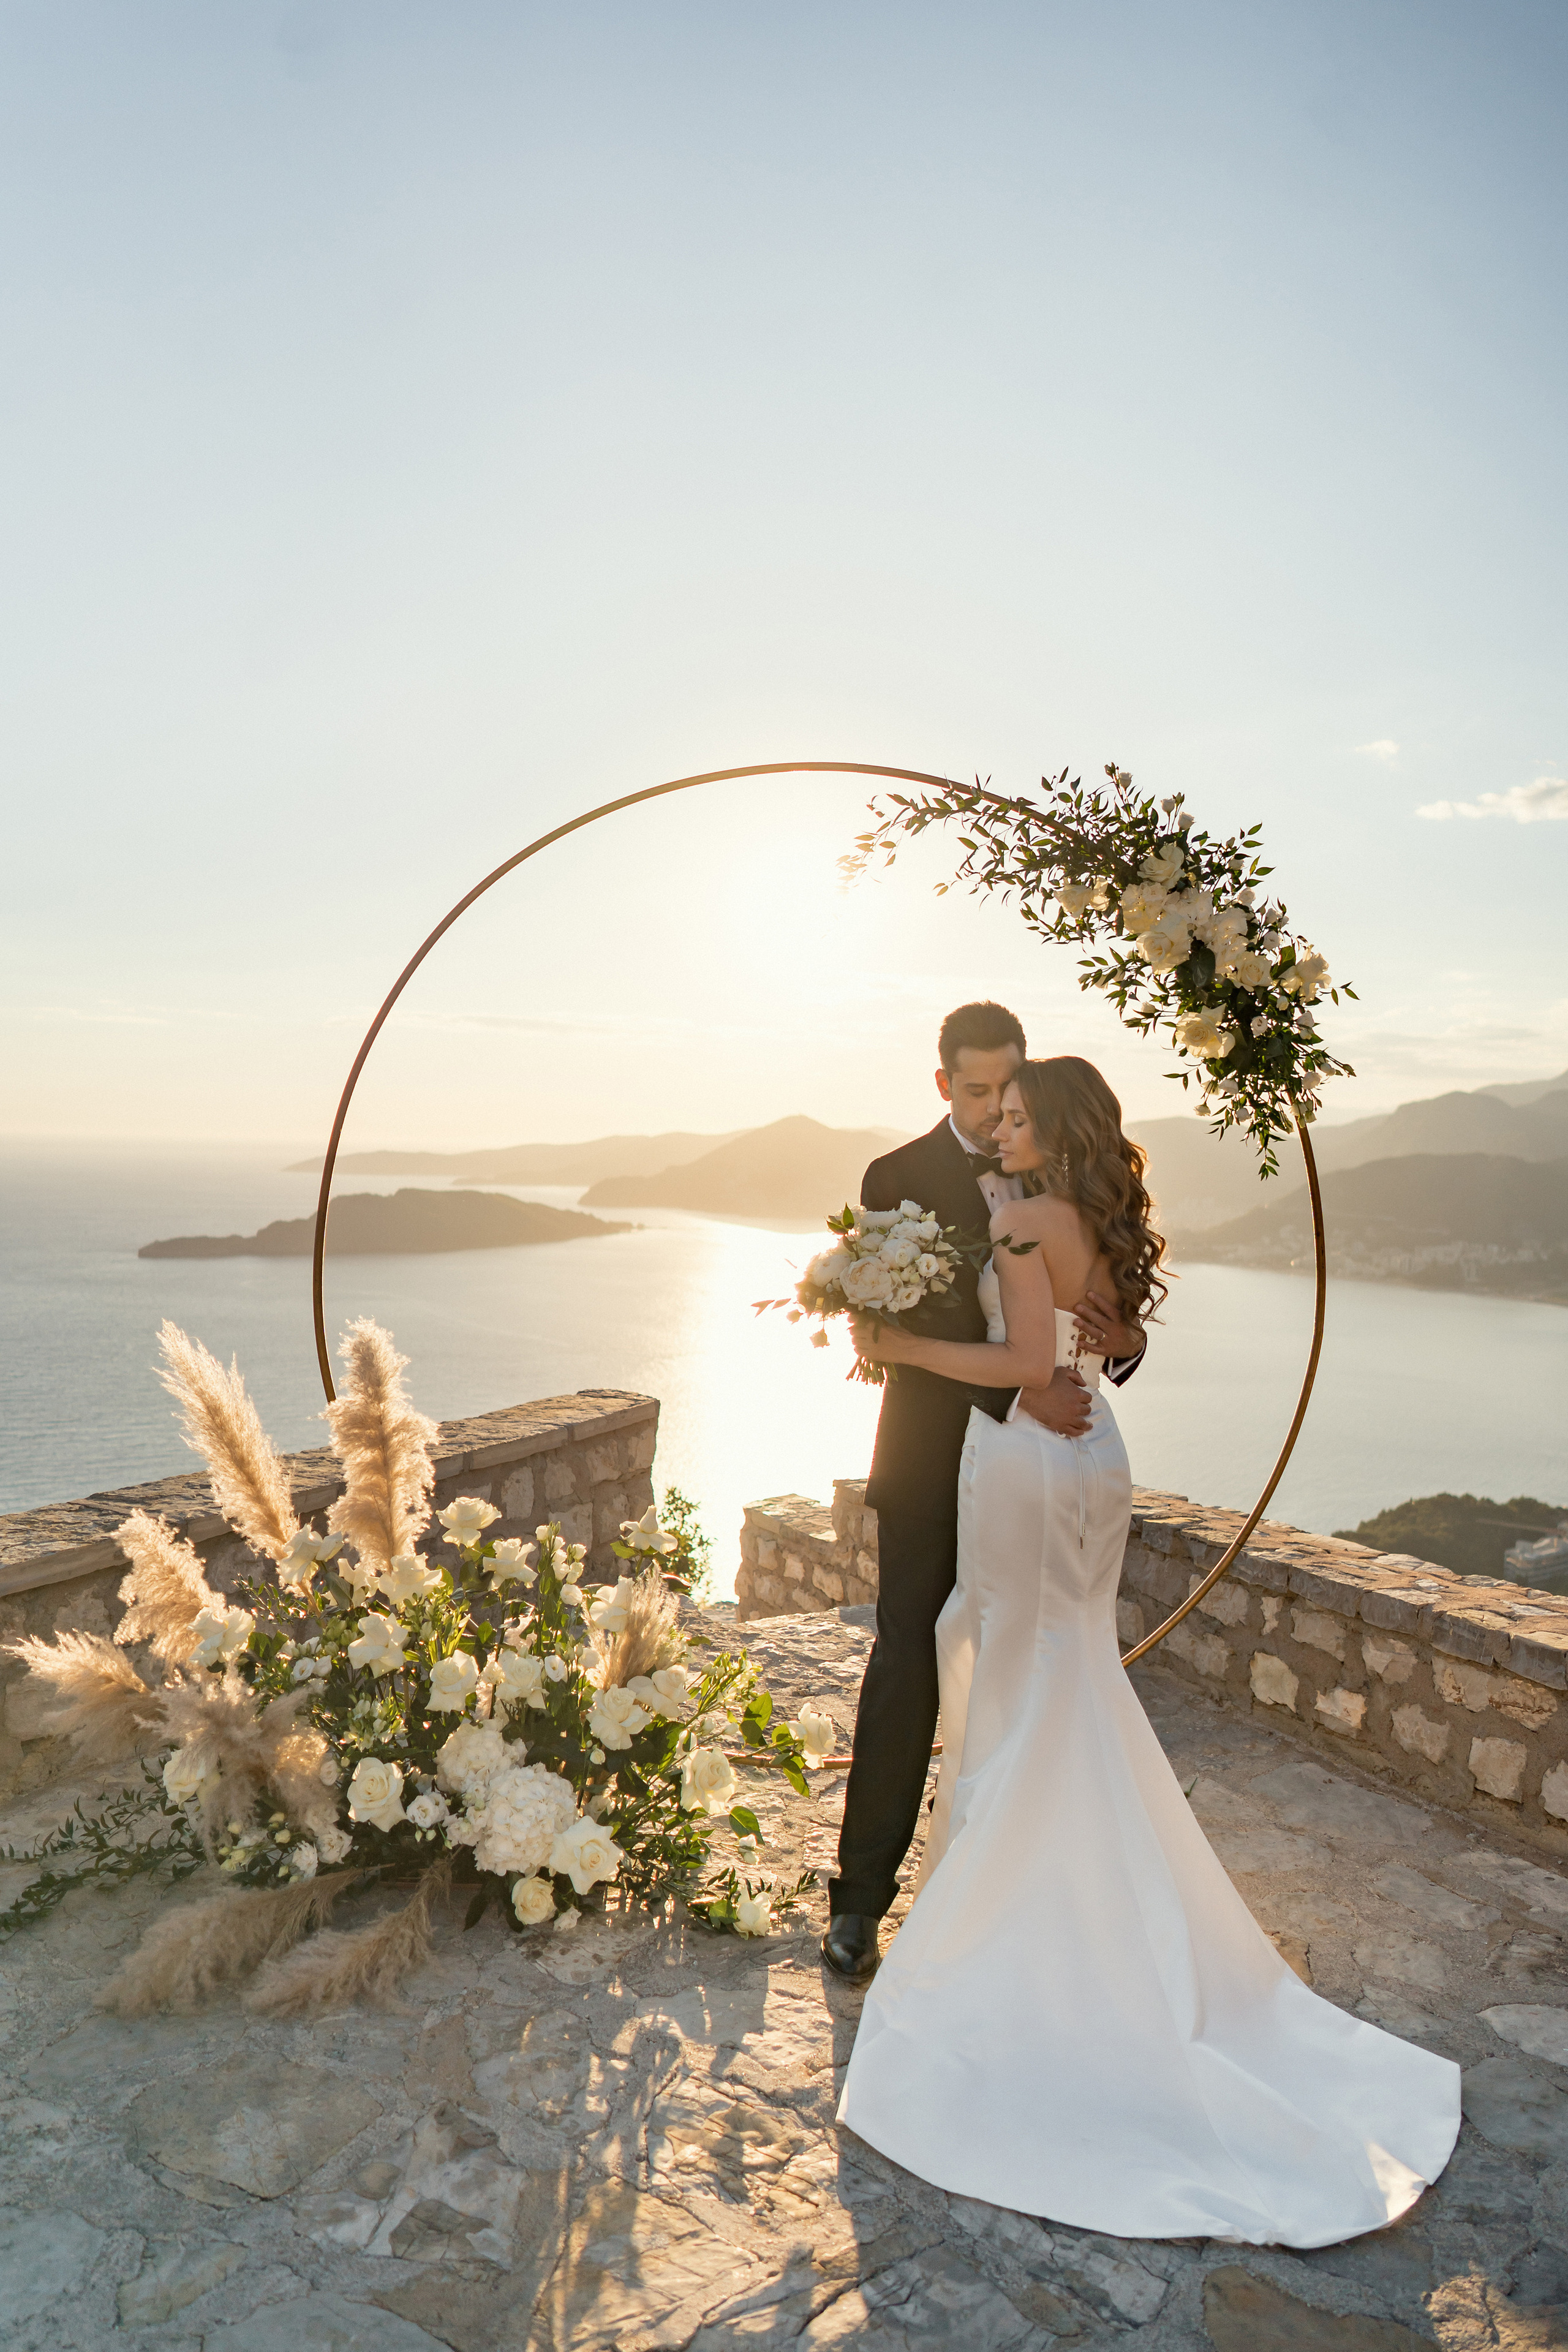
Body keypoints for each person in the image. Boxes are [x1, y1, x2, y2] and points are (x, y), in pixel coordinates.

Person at [835, 1055, 1459, 2245]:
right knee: (1065, 1673)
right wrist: (1045, 1366)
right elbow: (1096, 1348)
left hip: (1025, 1460)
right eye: (996, 1113)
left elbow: (1025, 1371)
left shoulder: (1020, 1224)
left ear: (1051, 1129)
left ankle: (1023, 1946)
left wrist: (902, 1349)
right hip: (1092, 1454)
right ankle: (1099, 1924)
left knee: (1024, 1677)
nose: (1003, 1131)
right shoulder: (1099, 1222)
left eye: (1019, 1116)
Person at [823, 1003, 1147, 1982]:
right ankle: (860, 1903)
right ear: (943, 1086)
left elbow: (1106, 1321)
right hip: (935, 1462)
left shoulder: (1058, 1179)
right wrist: (1022, 1379)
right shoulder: (895, 1179)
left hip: (1035, 1473)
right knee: (911, 1664)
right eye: (977, 1091)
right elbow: (890, 1342)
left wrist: (1116, 1344)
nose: (995, 1106)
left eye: (1009, 1090)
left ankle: (1021, 1901)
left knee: (1029, 1668)